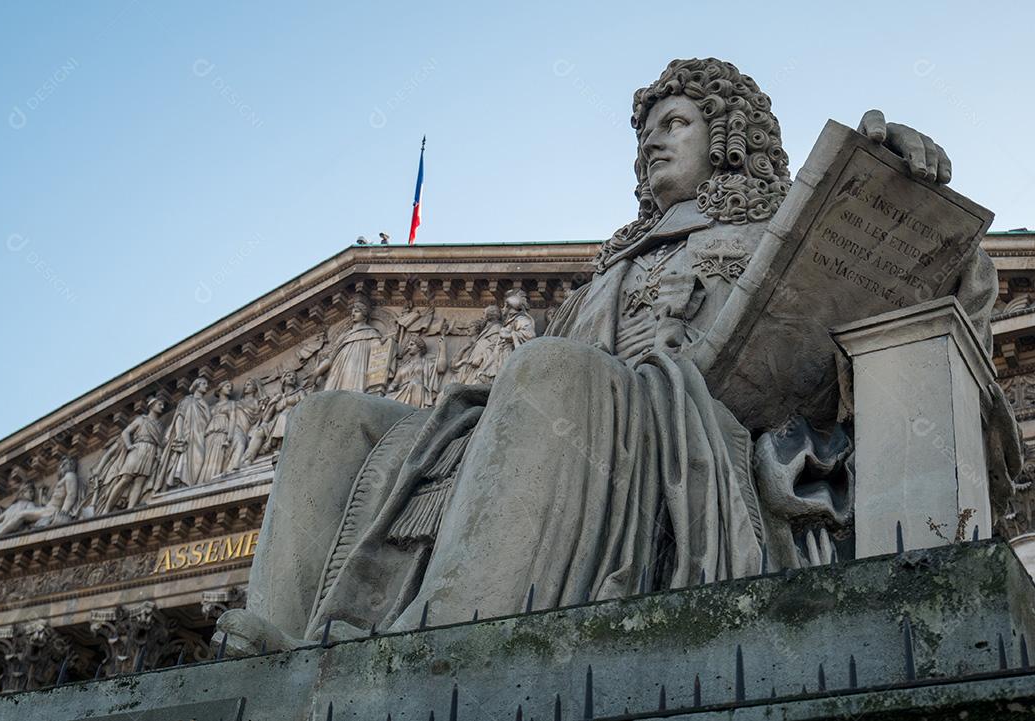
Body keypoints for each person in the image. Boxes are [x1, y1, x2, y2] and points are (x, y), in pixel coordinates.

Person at [217, 57, 1018, 655]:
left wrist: (901, 191)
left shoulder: (783, 231)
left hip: (700, 444)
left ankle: (429, 643)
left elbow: (929, 288)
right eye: (644, 134)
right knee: (332, 416)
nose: (650, 146)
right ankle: (280, 645)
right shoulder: (615, 265)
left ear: (729, 136)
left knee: (546, 371)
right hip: (572, 447)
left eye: (674, 124)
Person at [102, 397, 167, 513]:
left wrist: (159, 452)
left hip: (150, 451)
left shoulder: (160, 425)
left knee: (140, 481)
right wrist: (129, 445)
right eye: (160, 404)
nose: (162, 407)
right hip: (138, 448)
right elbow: (125, 432)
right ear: (152, 406)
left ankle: (130, 509)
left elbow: (158, 442)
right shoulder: (141, 420)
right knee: (126, 478)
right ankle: (107, 509)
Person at [308, 298, 384, 392]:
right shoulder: (344, 336)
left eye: (357, 311)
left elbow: (379, 353)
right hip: (337, 371)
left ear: (364, 315)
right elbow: (331, 357)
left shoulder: (371, 333)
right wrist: (317, 372)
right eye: (352, 312)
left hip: (357, 368)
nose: (353, 314)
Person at [153, 378, 211, 492]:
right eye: (203, 384)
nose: (206, 386)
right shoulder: (187, 400)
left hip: (200, 436)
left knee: (198, 459)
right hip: (188, 434)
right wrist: (179, 434)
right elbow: (180, 416)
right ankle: (181, 484)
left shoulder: (204, 403)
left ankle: (190, 485)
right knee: (186, 459)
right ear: (196, 386)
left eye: (207, 384)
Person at [387, 334, 447, 408]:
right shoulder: (403, 367)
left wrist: (442, 349)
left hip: (419, 393)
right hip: (401, 394)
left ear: (419, 347)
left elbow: (441, 368)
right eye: (409, 345)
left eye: (412, 344)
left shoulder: (427, 363)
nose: (409, 347)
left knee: (415, 383)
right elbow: (393, 385)